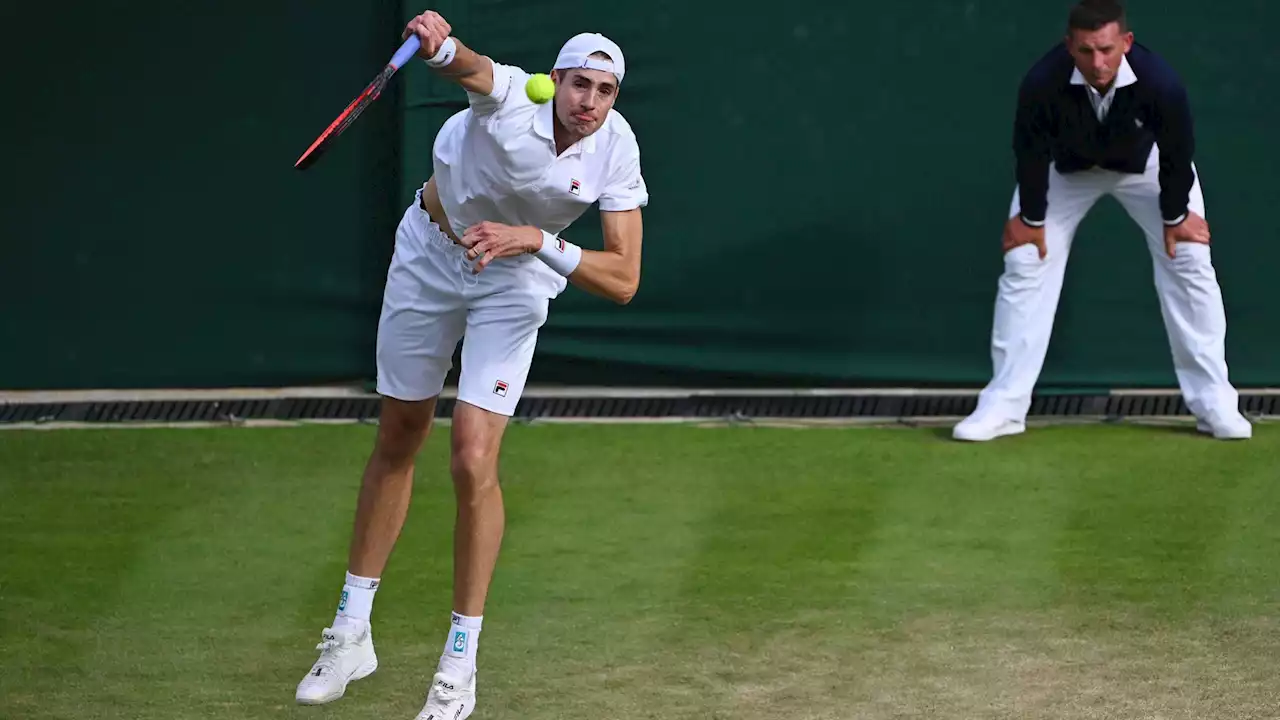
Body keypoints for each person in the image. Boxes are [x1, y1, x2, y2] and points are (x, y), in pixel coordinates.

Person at [293, 10, 648, 719]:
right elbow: (470, 67)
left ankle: (459, 667)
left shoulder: (616, 148)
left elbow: (624, 278)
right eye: (580, 84)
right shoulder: (516, 94)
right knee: (399, 435)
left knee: (471, 457)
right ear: (558, 79)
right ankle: (351, 632)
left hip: (515, 279)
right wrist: (439, 43)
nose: (590, 102)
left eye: (605, 91)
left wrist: (535, 241)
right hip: (430, 254)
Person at [953, 0, 1251, 442]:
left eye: (1107, 50)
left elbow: (1177, 152)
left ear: (1126, 43)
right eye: (1087, 51)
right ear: (1069, 46)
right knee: (1024, 261)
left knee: (1189, 257)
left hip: (1146, 169)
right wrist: (1031, 219)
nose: (1098, 62)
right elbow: (1030, 153)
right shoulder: (1041, 82)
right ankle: (1004, 407)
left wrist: (1174, 215)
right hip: (1066, 172)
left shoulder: (1160, 83)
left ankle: (1215, 405)